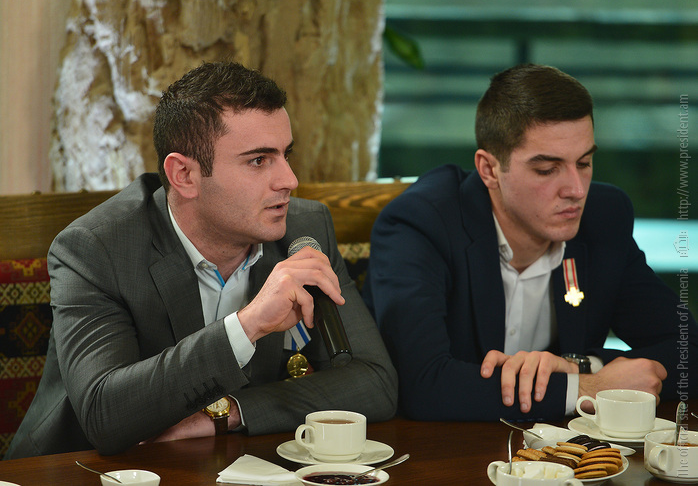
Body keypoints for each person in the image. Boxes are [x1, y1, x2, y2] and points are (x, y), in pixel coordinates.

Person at [6, 61, 397, 459]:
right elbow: (104, 413)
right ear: (184, 175)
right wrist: (249, 324)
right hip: (79, 469)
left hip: (229, 464)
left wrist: (229, 413)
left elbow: (375, 381)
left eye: (285, 154)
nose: (289, 180)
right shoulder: (95, 249)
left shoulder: (305, 229)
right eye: (258, 160)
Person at [362, 63, 696, 422]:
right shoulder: (419, 224)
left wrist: (581, 366)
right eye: (547, 169)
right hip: (438, 450)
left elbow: (689, 350)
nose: (576, 190)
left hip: (560, 452)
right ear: (489, 170)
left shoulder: (603, 218)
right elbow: (423, 386)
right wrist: (586, 389)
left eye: (584, 162)